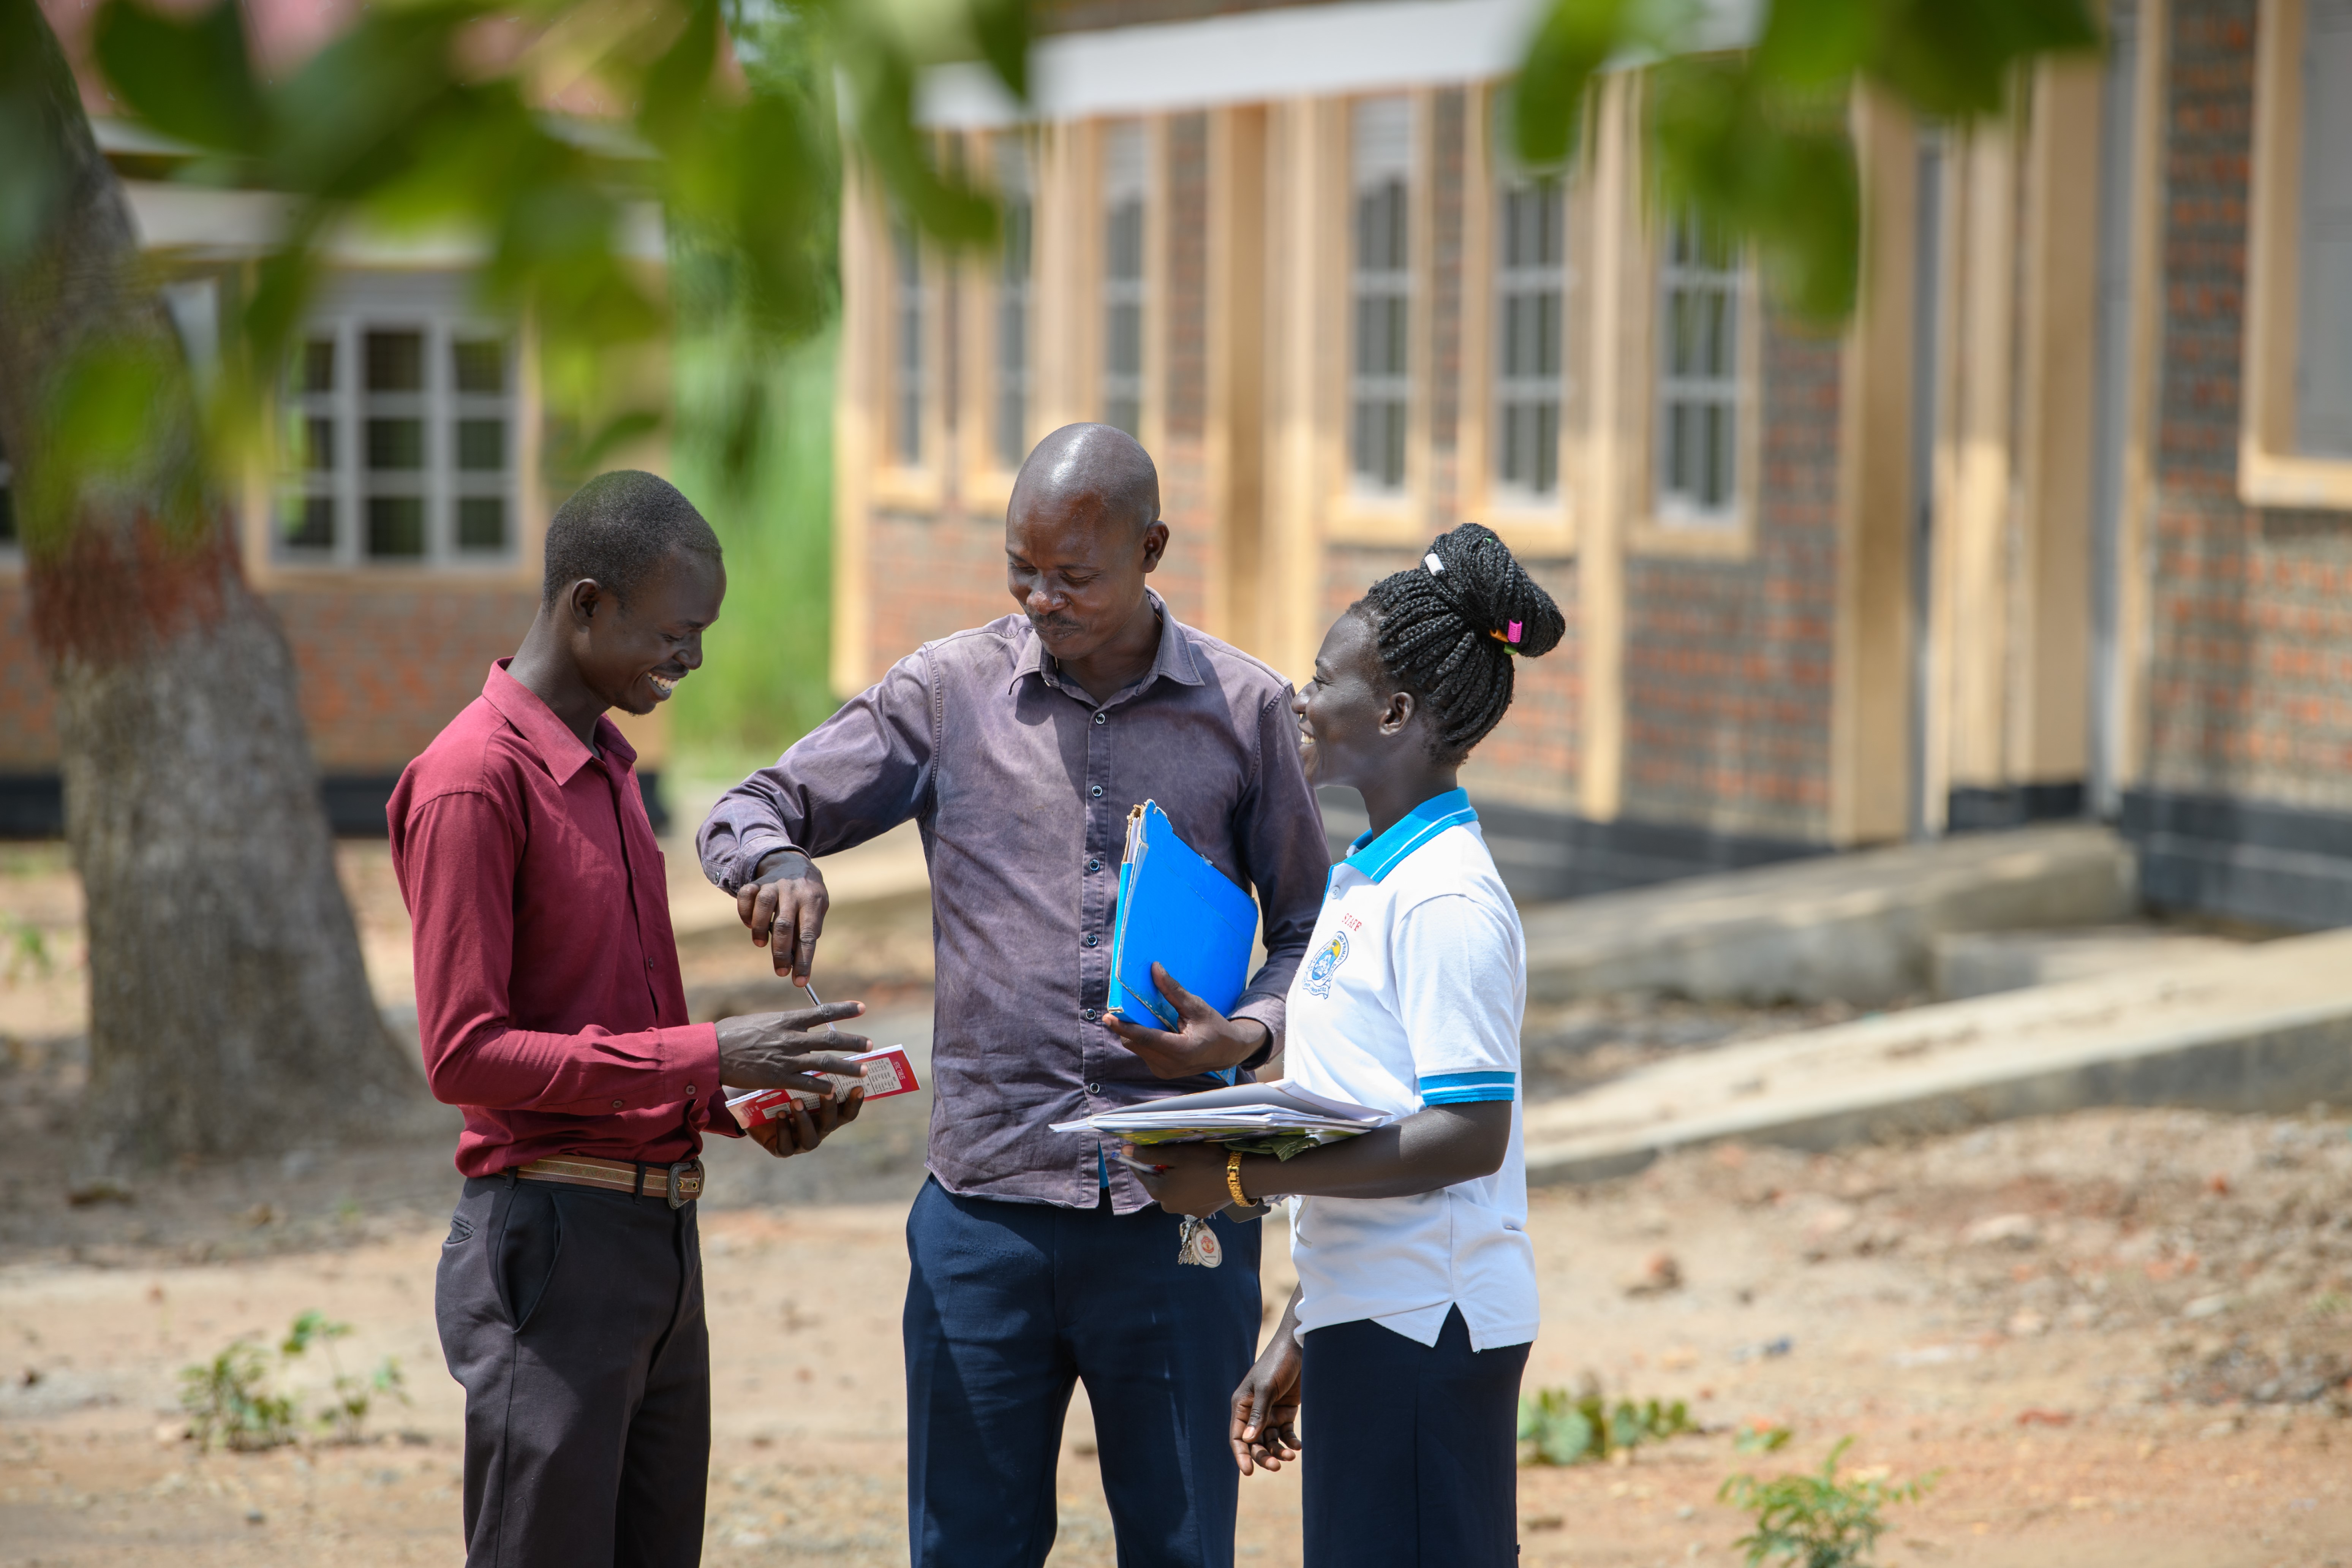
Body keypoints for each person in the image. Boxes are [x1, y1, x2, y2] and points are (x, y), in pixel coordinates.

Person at [695, 424, 1329, 1568]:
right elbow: (752, 804)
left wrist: (1247, 1032)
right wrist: (777, 861)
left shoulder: (1245, 712)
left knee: (1184, 1547)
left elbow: (1310, 933)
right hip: (982, 1213)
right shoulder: (948, 693)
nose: (1042, 598)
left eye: (1075, 576)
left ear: (1153, 549)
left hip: (1176, 1205)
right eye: (1020, 571)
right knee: (965, 1547)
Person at [390, 469, 877, 1568]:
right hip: (552, 1245)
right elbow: (467, 1053)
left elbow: (605, 1027)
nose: (692, 660)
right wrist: (711, 1048)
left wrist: (739, 1103)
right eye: (675, 631)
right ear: (588, 604)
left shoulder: (609, 771)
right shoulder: (473, 780)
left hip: (658, 1244)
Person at [1132, 522, 1565, 1568]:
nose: (1298, 695)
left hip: (1432, 1328)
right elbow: (1361, 1096)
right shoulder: (1371, 873)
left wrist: (1234, 1179)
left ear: (1396, 710)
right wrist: (1308, 1321)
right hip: (1376, 1315)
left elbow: (1463, 1135)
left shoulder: (1449, 897)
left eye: (1323, 677)